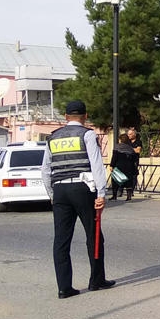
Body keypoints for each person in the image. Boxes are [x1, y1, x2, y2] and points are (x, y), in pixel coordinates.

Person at [41, 99, 114, 299]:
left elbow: (45, 169)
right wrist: (101, 193)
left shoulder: (53, 137)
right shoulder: (87, 134)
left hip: (60, 190)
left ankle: (64, 287)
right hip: (83, 188)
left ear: (65, 116)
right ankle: (96, 280)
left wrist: (52, 194)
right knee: (94, 234)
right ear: (85, 116)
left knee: (61, 241)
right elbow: (96, 165)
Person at [110, 130, 138, 201]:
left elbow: (114, 157)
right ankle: (129, 197)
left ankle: (114, 196)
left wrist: (111, 165)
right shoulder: (130, 148)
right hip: (129, 167)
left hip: (119, 166)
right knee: (129, 182)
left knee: (115, 181)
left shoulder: (117, 147)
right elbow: (134, 158)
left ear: (120, 140)